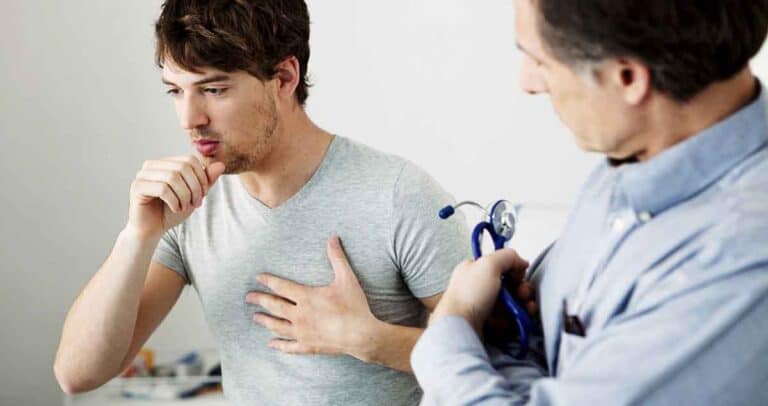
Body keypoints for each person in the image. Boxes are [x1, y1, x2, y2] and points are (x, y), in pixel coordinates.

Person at [53, 1, 471, 404]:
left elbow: (499, 355)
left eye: (214, 89)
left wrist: (370, 340)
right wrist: (137, 235)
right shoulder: (189, 206)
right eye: (175, 91)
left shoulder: (397, 196)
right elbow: (78, 374)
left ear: (285, 78)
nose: (189, 119)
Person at [411, 1, 768, 404]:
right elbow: (541, 353)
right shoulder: (631, 166)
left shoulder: (739, 266)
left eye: (539, 61)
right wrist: (495, 333)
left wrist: (453, 326)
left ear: (628, 77)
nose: (527, 83)